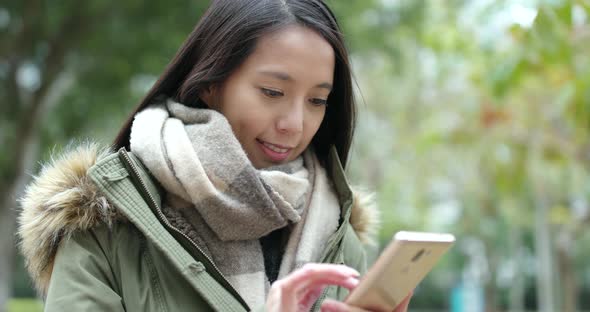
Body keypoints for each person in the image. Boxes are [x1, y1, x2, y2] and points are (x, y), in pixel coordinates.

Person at [18, 0, 412, 311]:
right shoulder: (102, 223)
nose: (295, 123)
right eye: (272, 92)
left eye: (317, 100)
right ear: (211, 83)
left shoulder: (340, 238)